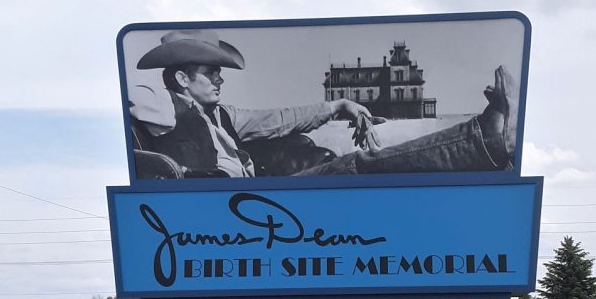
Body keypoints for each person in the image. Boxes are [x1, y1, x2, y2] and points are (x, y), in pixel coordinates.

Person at [130, 29, 516, 178]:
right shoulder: (164, 105)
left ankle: (481, 147)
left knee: (355, 148)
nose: (219, 77)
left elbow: (279, 119)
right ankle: (483, 140)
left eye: (219, 71)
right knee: (354, 166)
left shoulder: (223, 115)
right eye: (209, 71)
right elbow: (133, 102)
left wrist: (336, 106)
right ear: (182, 78)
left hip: (261, 194)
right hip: (236, 209)